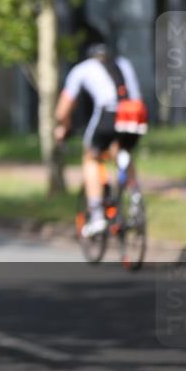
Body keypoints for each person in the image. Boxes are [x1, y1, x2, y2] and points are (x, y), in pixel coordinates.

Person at [54, 42, 147, 238]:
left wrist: (63, 128)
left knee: (91, 157)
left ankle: (97, 216)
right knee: (123, 151)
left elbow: (62, 110)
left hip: (109, 113)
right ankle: (134, 196)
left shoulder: (82, 69)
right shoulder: (124, 63)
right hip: (135, 113)